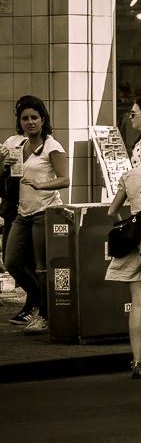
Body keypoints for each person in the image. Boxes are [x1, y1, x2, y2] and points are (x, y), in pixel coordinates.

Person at [3, 96, 69, 335]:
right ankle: (38, 299)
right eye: (25, 118)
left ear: (43, 120)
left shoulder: (52, 146)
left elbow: (65, 179)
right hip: (22, 212)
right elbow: (8, 176)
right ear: (19, 122)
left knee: (42, 267)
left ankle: (46, 314)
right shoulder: (15, 144)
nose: (30, 122)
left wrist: (41, 186)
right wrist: (3, 163)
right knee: (11, 261)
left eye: (34, 118)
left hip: (44, 212)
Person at [106, 161, 141, 378]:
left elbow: (112, 211)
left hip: (136, 241)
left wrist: (126, 229)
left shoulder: (130, 175)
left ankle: (138, 361)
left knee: (139, 302)